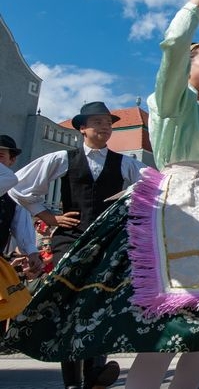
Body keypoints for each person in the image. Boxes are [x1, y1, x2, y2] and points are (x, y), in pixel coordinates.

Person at [5, 0, 199, 389]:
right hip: (180, 209)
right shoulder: (173, 102)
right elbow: (174, 45)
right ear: (188, 66)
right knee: (172, 322)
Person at [9, 103, 144, 389]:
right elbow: (19, 187)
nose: (105, 127)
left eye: (108, 122)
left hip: (106, 239)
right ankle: (73, 380)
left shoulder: (125, 163)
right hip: (69, 238)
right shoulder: (62, 158)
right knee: (69, 304)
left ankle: (95, 373)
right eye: (97, 122)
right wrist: (49, 216)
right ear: (82, 127)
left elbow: (153, 186)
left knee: (99, 301)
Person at [0, 135, 43, 323]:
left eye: (0, 156)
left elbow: (22, 225)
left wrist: (32, 251)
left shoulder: (12, 196)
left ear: (12, 159)